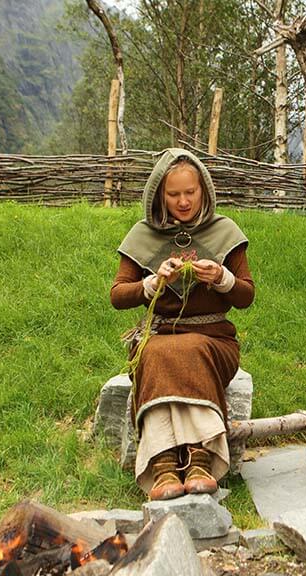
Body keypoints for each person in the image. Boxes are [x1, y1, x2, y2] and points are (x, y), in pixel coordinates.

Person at [110, 148, 254, 500]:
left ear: (204, 190)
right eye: (174, 194)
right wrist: (151, 284)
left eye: (191, 192)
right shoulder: (143, 235)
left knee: (189, 349)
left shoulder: (224, 231)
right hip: (158, 335)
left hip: (214, 337)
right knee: (162, 353)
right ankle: (165, 465)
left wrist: (222, 277)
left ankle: (199, 460)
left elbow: (246, 296)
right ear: (159, 194)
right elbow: (117, 295)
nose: (184, 201)